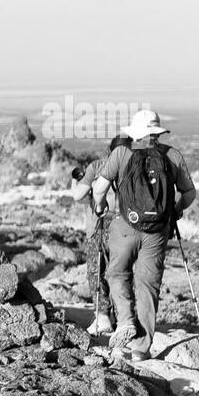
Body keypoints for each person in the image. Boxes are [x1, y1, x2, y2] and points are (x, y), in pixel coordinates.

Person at [90, 110, 197, 361]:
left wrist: (99, 206)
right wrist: (174, 211)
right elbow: (189, 194)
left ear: (135, 132)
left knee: (117, 273)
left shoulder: (121, 153)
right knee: (148, 285)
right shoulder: (173, 155)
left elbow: (100, 188)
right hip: (157, 232)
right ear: (158, 132)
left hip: (125, 227)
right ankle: (140, 349)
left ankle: (126, 319)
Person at [68, 134, 131, 335]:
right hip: (126, 227)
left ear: (110, 151)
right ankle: (124, 318)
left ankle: (103, 316)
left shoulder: (97, 166)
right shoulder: (135, 166)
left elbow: (78, 196)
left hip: (98, 225)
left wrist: (74, 182)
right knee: (120, 272)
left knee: (97, 271)